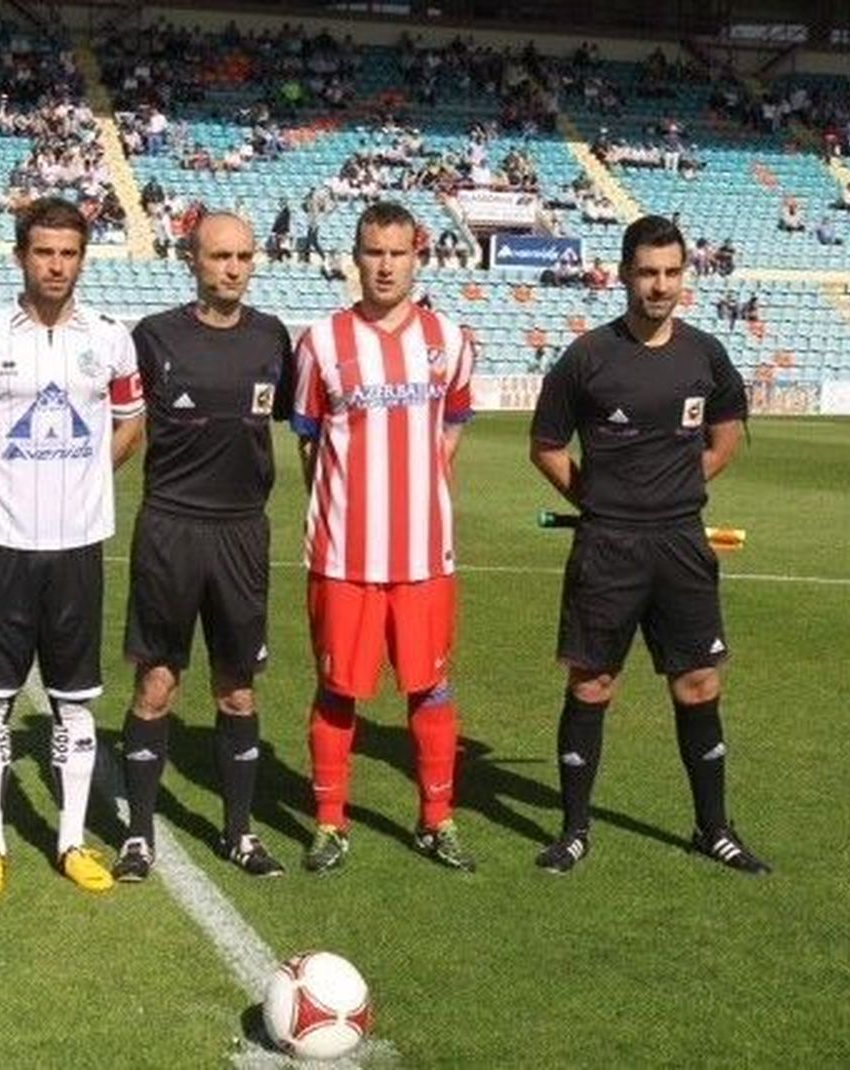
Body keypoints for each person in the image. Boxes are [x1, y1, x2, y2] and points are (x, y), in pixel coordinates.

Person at [528, 214, 769, 877]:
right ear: (625, 274)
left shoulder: (706, 354)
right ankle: (574, 831)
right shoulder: (587, 357)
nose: (658, 286)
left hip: (682, 545)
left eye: (670, 272)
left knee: (697, 684)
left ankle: (713, 829)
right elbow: (545, 447)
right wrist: (600, 500)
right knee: (593, 681)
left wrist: (673, 490)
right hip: (608, 546)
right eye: (646, 272)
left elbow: (722, 440)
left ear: (683, 276)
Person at [0, 196, 145, 899]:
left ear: (83, 258)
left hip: (79, 547)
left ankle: (70, 841)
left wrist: (86, 479)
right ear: (20, 256)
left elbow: (129, 421)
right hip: (3, 545)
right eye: (43, 252)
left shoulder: (113, 338)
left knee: (76, 704)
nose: (56, 265)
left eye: (69, 253)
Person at [290, 201, 478, 874]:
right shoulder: (320, 342)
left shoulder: (450, 339)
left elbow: (454, 421)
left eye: (398, 253)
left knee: (429, 686)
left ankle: (436, 819)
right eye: (374, 252)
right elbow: (310, 443)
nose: (386, 265)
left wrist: (423, 482)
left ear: (416, 257)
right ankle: (330, 823)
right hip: (344, 552)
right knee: (339, 686)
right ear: (356, 257)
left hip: (425, 552)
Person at [110, 213, 295, 883]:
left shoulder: (274, 338)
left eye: (245, 256)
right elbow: (122, 420)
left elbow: (292, 420)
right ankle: (136, 836)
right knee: (157, 683)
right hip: (171, 529)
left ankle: (239, 835)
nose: (234, 267)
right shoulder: (154, 337)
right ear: (192, 258)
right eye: (220, 255)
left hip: (243, 530)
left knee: (237, 691)